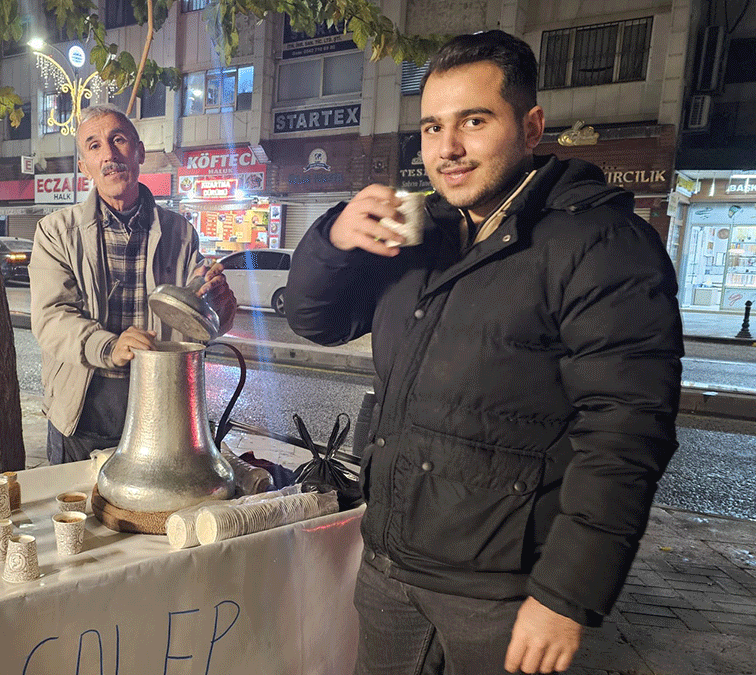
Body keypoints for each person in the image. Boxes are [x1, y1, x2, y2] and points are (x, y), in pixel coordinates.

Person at [286, 31, 682, 675]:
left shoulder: (601, 244)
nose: (448, 149)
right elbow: (316, 321)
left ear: (531, 127)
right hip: (390, 565)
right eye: (432, 126)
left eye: (474, 120)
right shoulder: (422, 233)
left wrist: (566, 596)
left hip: (503, 593)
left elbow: (626, 433)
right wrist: (333, 239)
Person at [30, 103, 237, 465]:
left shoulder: (179, 232)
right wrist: (110, 345)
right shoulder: (57, 232)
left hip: (161, 405)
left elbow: (200, 324)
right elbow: (51, 318)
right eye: (94, 146)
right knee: (79, 515)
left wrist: (216, 303)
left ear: (139, 151)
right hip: (83, 407)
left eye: (118, 140)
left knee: (152, 511)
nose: (109, 154)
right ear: (84, 167)